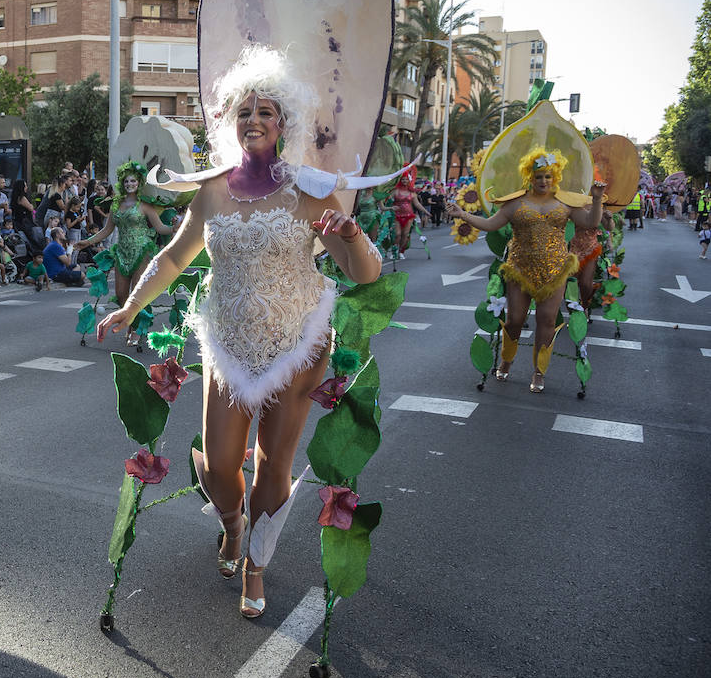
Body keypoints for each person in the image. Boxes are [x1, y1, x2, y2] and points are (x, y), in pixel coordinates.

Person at [96, 45, 387, 620]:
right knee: (221, 460)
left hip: (299, 342)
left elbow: (364, 274)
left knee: (274, 461)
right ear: (232, 121)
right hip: (228, 341)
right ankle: (232, 520)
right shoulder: (212, 189)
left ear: (283, 124)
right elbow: (175, 258)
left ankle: (256, 562)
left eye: (266, 112)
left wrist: (351, 236)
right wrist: (130, 308)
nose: (254, 121)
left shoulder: (309, 191)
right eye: (244, 112)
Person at [449, 148, 605, 393]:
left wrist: (596, 199)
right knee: (515, 321)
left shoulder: (565, 203)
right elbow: (491, 224)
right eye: (538, 176)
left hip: (555, 271)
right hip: (520, 270)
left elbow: (590, 222)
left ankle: (539, 371)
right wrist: (463, 214)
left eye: (547, 176)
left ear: (555, 177)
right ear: (529, 177)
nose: (543, 181)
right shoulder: (515, 203)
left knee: (546, 320)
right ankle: (506, 360)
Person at [75, 166, 175, 342]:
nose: (130, 184)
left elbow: (160, 228)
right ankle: (131, 322)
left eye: (133, 181)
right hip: (121, 253)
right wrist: (88, 242)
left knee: (137, 293)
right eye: (126, 181)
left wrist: (175, 227)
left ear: (139, 183)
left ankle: (136, 329)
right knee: (121, 294)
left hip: (142, 252)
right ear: (122, 183)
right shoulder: (115, 205)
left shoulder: (145, 206)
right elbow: (107, 230)